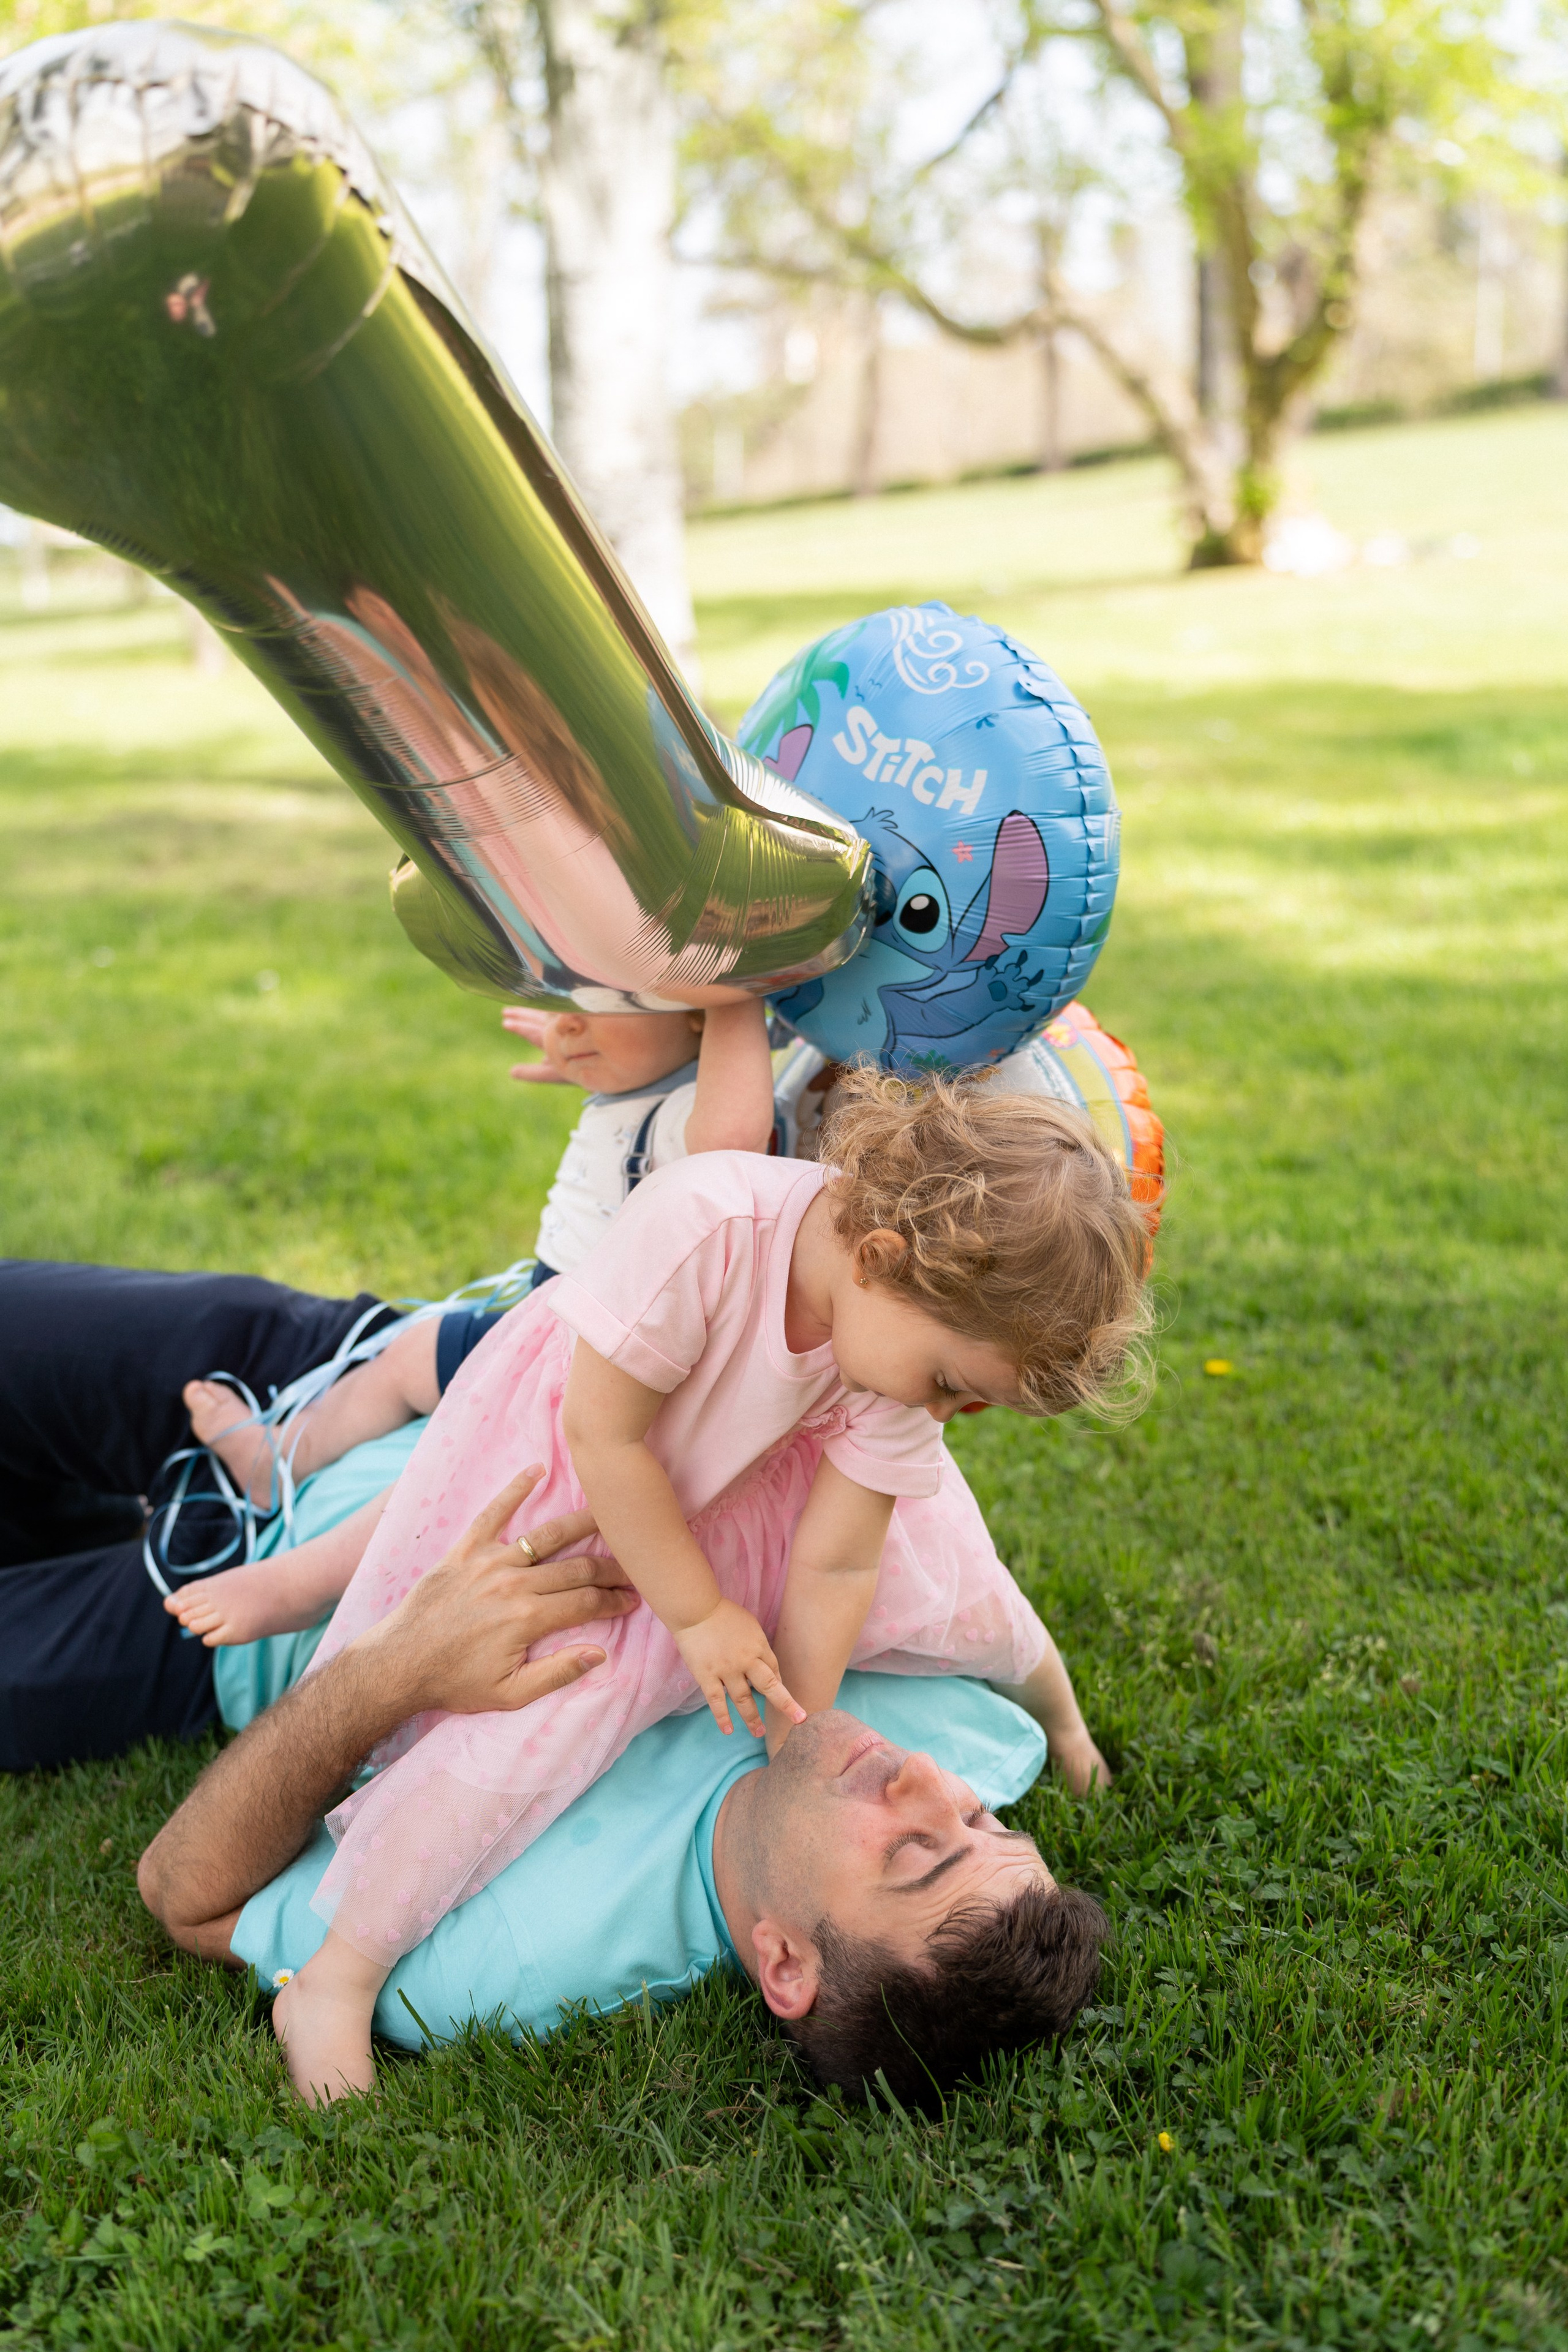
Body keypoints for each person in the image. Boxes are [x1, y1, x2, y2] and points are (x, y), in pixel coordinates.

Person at [234, 1072, 1147, 2101]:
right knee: (553, 1711)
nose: (945, 1409)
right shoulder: (709, 1226)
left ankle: (1063, 1724)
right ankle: (338, 1977)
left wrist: (798, 1725)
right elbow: (604, 1437)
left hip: (761, 1488)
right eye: (947, 1382)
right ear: (886, 1261)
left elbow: (840, 1557)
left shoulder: (889, 1330)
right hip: (604, 1489)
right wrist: (701, 1615)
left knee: (955, 1584)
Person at [136, 1469, 1112, 2114]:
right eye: (978, 1817)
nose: (926, 1781)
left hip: (212, 1594)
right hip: (400, 1381)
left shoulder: (499, 1960)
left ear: (784, 1964)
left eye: (909, 1849)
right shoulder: (966, 1732)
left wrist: (395, 1666)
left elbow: (191, 1897)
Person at [180, 996, 777, 1509]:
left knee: (410, 1359)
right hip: (564, 1311)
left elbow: (728, 1134)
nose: (564, 1023)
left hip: (581, 1352)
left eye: (602, 1000)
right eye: (559, 997)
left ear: (702, 1011)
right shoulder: (662, 1090)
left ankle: (280, 1460)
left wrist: (735, 996)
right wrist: (602, 1055)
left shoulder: (691, 1119)